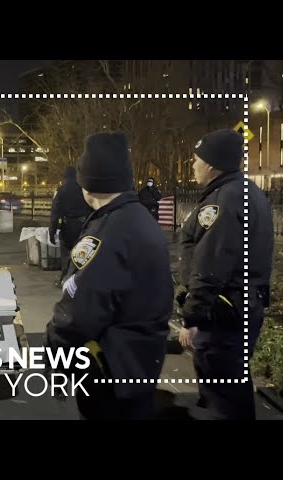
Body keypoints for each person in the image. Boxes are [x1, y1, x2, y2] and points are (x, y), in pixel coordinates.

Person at [44, 131, 173, 420]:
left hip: (111, 366)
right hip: (139, 359)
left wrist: (55, 352)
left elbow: (82, 310)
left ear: (89, 185)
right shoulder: (137, 218)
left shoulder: (109, 231)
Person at [176, 129, 273, 420]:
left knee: (224, 390)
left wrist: (191, 316)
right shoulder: (243, 192)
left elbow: (211, 264)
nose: (192, 165)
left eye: (196, 160)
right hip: (239, 305)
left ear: (212, 165)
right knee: (230, 385)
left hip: (224, 311)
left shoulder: (224, 200)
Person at [49, 166, 93, 288]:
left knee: (66, 255)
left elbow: (55, 212)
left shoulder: (61, 191)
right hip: (83, 226)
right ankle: (82, 280)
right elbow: (93, 207)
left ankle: (65, 280)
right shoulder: (83, 190)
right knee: (82, 254)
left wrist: (52, 231)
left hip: (67, 227)